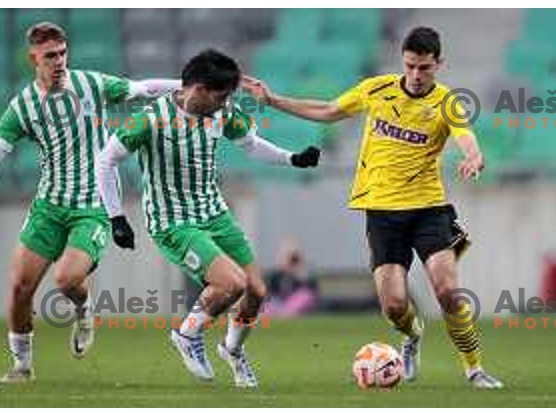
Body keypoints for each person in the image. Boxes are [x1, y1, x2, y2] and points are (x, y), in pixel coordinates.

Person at [242, 26, 503, 389]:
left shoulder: (446, 102)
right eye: (410, 65)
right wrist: (273, 100)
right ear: (403, 60)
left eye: (424, 68)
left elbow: (465, 135)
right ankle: (412, 335)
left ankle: (474, 368)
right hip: (382, 213)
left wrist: (474, 157)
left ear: (439, 64)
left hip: (430, 208)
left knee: (446, 290)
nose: (415, 75)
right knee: (395, 305)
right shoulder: (375, 89)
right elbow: (329, 109)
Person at [0, 21, 181, 383]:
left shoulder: (90, 84)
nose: (59, 61)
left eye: (62, 53)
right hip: (49, 206)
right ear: (34, 59)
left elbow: (144, 89)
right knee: (19, 288)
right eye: (50, 56)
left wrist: (190, 86)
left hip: (92, 204)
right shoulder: (23, 107)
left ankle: (84, 307)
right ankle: (22, 367)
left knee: (66, 280)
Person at [97, 49, 321, 388]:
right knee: (232, 283)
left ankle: (231, 349)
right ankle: (188, 334)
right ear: (198, 89)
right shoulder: (149, 119)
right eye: (220, 96)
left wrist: (293, 159)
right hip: (173, 222)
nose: (224, 103)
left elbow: (250, 144)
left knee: (257, 291)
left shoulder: (221, 111)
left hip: (215, 213)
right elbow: (105, 160)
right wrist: (115, 216)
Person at [266, 241, 318, 318]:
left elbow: (312, 290)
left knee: (305, 295)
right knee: (268, 302)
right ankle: (282, 313)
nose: (291, 261)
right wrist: (282, 268)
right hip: (279, 302)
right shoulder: (277, 274)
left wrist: (299, 270)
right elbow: (270, 291)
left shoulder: (304, 272)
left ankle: (285, 313)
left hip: (295, 302)